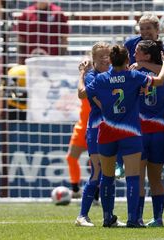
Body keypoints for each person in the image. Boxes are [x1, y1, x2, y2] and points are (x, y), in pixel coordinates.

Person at [79, 45, 164, 228]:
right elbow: (160, 81)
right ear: (127, 60)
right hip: (130, 133)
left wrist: (82, 75)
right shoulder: (134, 77)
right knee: (133, 177)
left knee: (107, 177)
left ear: (111, 61)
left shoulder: (102, 79)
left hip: (106, 132)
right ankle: (133, 219)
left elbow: (82, 94)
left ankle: (107, 217)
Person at [125, 13, 164, 184]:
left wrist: (144, 65)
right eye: (142, 29)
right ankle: (120, 163)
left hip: (159, 98)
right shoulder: (131, 44)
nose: (145, 32)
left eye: (149, 28)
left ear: (157, 30)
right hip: (138, 99)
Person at [132, 40, 164, 227]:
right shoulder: (163, 71)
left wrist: (139, 66)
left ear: (146, 55)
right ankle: (158, 219)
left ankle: (138, 218)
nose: (133, 55)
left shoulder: (135, 72)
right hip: (160, 131)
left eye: (137, 52)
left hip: (140, 131)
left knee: (138, 178)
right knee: (155, 178)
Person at [74, 42, 114, 227]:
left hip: (114, 128)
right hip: (97, 129)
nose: (105, 59)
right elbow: (98, 102)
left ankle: (109, 217)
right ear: (94, 60)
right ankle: (82, 216)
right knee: (97, 172)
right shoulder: (92, 76)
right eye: (100, 57)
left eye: (108, 56)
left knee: (109, 175)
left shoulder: (114, 73)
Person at [16, 0, 69, 65]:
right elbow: (21, 40)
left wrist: (61, 59)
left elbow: (64, 38)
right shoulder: (26, 13)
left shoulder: (58, 12)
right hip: (31, 62)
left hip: (52, 62)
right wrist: (21, 61)